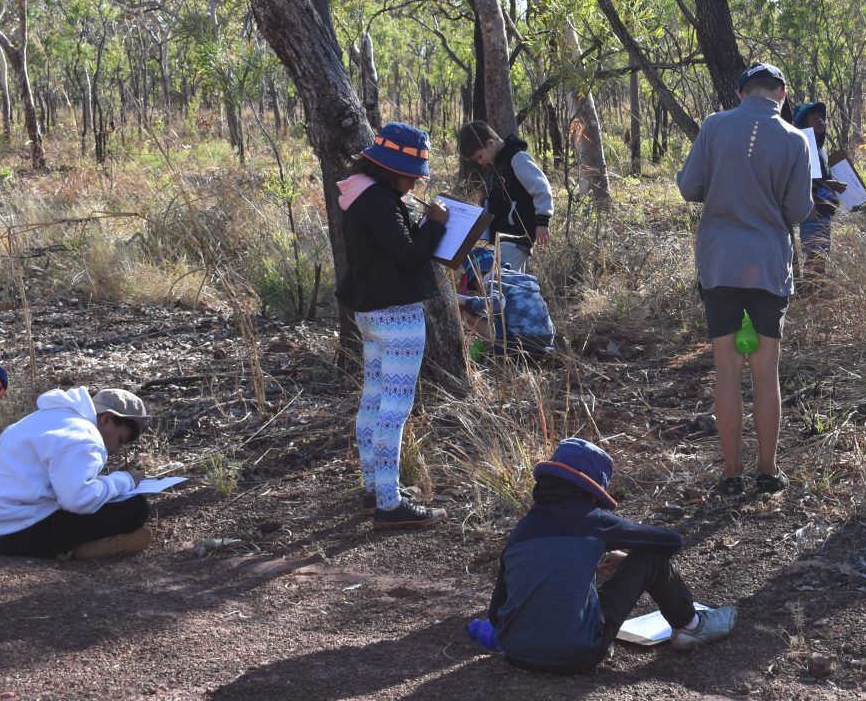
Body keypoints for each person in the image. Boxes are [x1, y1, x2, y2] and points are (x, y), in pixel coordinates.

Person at [472, 438, 736, 673]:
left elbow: (496, 615)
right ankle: (692, 626)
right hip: (580, 653)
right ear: (592, 491)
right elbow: (670, 541)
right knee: (652, 560)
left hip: (515, 654)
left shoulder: (522, 531)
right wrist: (629, 557)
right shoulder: (594, 522)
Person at [677, 62, 813, 495]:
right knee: (765, 372)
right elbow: (798, 209)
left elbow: (688, 187)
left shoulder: (715, 127)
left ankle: (731, 473)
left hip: (720, 263)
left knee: (727, 371)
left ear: (740, 94)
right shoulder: (795, 139)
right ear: (783, 92)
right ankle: (768, 472)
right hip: (769, 264)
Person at [336, 121, 449, 531]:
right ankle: (388, 503)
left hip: (369, 314)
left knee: (372, 401)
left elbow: (390, 250)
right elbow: (406, 257)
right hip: (398, 316)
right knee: (393, 411)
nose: (413, 185)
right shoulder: (380, 201)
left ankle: (374, 489)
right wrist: (435, 225)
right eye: (410, 177)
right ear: (392, 171)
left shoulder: (360, 194)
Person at [0, 385, 154, 559]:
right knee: (135, 508)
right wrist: (125, 480)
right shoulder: (85, 437)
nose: (116, 449)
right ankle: (81, 547)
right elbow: (78, 500)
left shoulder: (51, 417)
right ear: (106, 419)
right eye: (120, 440)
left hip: (8, 516)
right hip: (12, 530)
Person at [457, 121, 554, 274]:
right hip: (504, 238)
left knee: (497, 282)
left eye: (480, 156)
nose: (480, 162)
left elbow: (541, 187)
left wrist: (543, 221)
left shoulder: (516, 157)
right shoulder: (495, 166)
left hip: (517, 235)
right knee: (513, 286)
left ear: (490, 143)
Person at [791, 101, 846, 285]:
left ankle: (816, 293)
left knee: (821, 253)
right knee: (815, 254)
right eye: (814, 117)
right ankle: (812, 294)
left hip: (824, 209)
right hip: (812, 210)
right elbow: (808, 180)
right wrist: (833, 184)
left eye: (821, 116)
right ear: (804, 123)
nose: (820, 120)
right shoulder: (805, 146)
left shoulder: (820, 148)